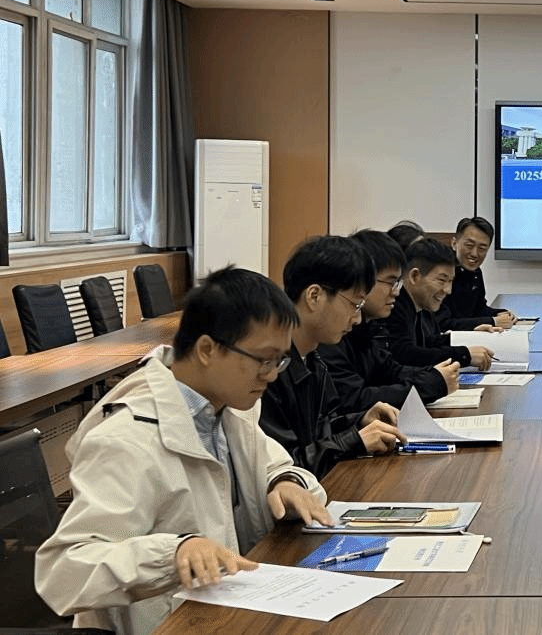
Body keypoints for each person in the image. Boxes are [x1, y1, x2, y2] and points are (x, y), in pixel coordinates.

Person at [35, 267, 332, 635]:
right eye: (264, 360)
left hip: (228, 613)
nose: (272, 375)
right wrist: (173, 553)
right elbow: (65, 569)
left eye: (279, 361)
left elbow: (275, 467)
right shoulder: (127, 439)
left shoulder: (228, 410)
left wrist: (285, 482)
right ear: (207, 349)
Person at [259, 235, 407, 479]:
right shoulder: (269, 367)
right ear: (314, 296)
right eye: (355, 305)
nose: (357, 319)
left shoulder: (312, 359)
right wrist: (354, 441)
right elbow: (283, 468)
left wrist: (359, 421)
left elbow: (319, 431)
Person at [318, 230, 460, 411]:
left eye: (398, 283)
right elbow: (352, 399)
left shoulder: (368, 326)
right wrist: (431, 384)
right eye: (391, 282)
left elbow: (389, 370)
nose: (396, 291)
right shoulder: (329, 334)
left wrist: (434, 376)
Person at [384, 236, 495, 369]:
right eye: (442, 280)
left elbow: (427, 342)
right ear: (414, 276)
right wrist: (464, 356)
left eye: (450, 281)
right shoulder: (392, 305)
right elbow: (405, 354)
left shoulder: (418, 304)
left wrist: (470, 336)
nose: (448, 290)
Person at [442, 216, 516, 330]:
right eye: (469, 245)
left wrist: (501, 313)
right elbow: (443, 324)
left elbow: (479, 309)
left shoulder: (475, 272)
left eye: (482, 248)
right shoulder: (442, 273)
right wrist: (493, 321)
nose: (474, 254)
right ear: (454, 243)